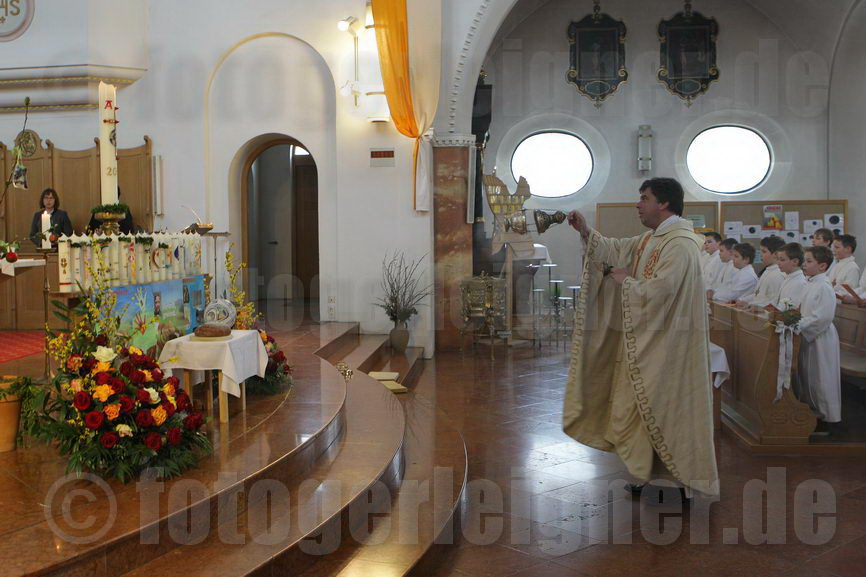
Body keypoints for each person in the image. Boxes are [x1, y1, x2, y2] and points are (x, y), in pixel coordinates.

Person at [564, 177, 718, 500]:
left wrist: (626, 283)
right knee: (643, 406)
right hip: (652, 342)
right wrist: (586, 232)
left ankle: (678, 483)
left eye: (644, 198)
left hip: (671, 346)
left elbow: (662, 291)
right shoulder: (652, 238)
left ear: (664, 203)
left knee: (667, 408)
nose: (638, 204)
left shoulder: (680, 244)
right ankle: (652, 475)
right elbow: (616, 250)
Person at [797, 246, 841, 429]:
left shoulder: (824, 286)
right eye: (804, 260)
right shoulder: (810, 283)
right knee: (810, 376)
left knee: (822, 377)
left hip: (820, 336)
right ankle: (812, 413)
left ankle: (827, 417)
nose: (804, 264)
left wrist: (799, 325)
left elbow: (822, 317)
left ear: (822, 266)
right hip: (809, 334)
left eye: (809, 261)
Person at [738, 236, 785, 307]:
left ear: (776, 254)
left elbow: (773, 302)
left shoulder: (778, 274)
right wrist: (743, 300)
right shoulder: (768, 270)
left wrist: (755, 306)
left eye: (764, 252)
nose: (760, 255)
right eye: (760, 251)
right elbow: (758, 295)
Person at [773, 243, 807, 309]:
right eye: (778, 259)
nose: (778, 263)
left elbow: (792, 310)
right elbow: (778, 302)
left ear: (795, 261)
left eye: (782, 260)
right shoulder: (788, 277)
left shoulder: (800, 283)